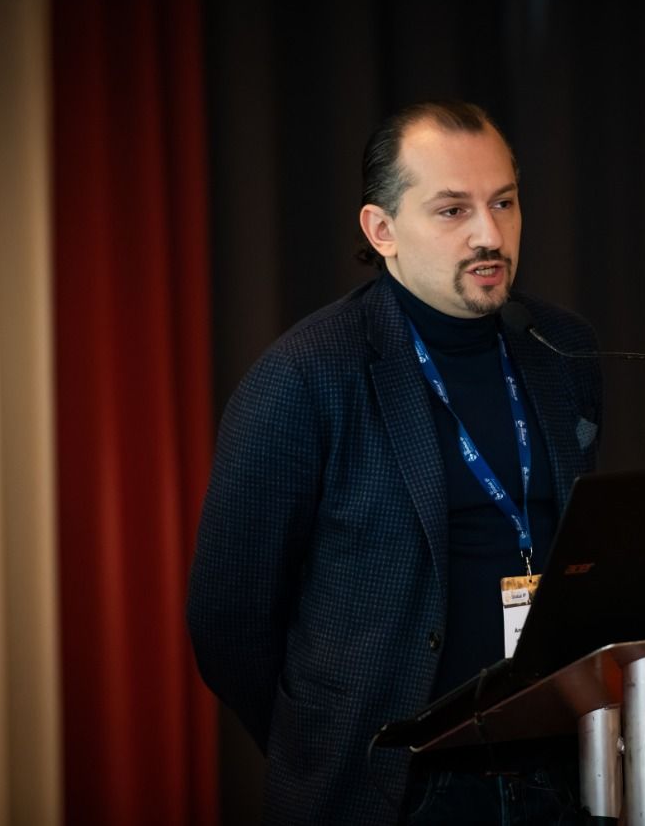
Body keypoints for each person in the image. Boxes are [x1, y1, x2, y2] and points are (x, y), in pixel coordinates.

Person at [187, 101, 603, 824]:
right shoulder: (305, 375)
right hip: (389, 791)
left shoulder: (561, 348)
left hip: (552, 774)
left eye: (503, 202)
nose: (489, 233)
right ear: (381, 230)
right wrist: (323, 745)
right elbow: (230, 622)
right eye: (452, 210)